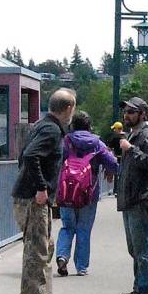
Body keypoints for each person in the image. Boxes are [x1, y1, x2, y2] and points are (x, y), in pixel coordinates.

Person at [11, 88, 76, 294]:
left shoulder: (41, 125)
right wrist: (41, 187)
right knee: (37, 250)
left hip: (32, 196)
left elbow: (24, 155)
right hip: (34, 198)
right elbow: (30, 156)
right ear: (68, 108)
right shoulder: (50, 129)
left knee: (45, 248)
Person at [55, 111, 118, 276]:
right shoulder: (97, 143)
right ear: (90, 127)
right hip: (88, 193)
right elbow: (113, 163)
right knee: (84, 229)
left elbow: (54, 161)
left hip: (66, 191)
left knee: (67, 226)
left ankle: (62, 256)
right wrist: (109, 171)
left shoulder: (66, 141)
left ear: (72, 125)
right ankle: (81, 267)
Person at [116, 96, 148, 294]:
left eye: (132, 112)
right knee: (135, 248)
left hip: (141, 200)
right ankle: (139, 288)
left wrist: (130, 149)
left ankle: (144, 293)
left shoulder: (147, 135)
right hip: (131, 199)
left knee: (142, 249)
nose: (127, 115)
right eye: (126, 112)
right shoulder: (134, 135)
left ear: (143, 114)